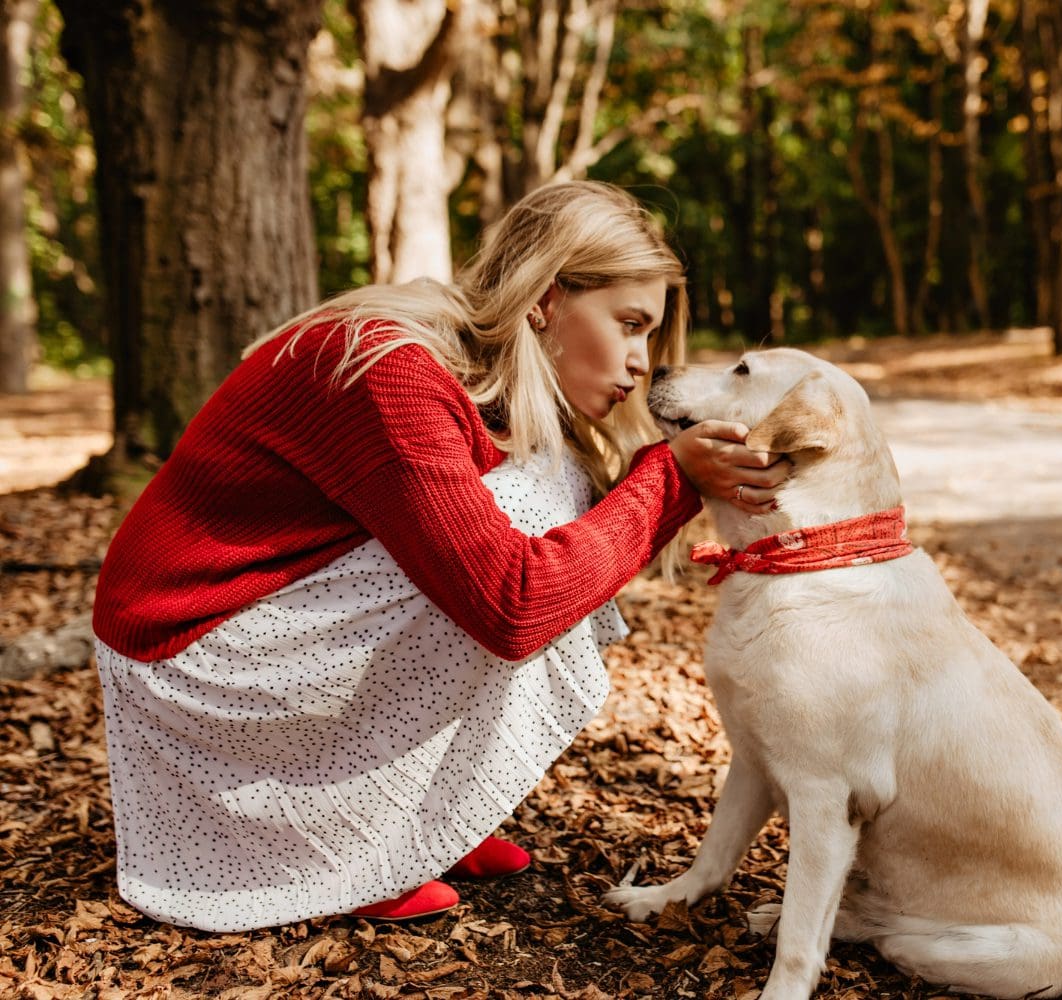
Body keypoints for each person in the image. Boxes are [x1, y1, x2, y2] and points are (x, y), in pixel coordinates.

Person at [91, 181, 788, 933]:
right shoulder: (395, 368)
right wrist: (671, 478)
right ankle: (351, 854)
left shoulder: (472, 372)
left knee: (553, 489)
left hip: (259, 629)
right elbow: (511, 606)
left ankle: (420, 821)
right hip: (189, 655)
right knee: (524, 526)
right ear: (547, 297)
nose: (639, 363)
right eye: (628, 324)